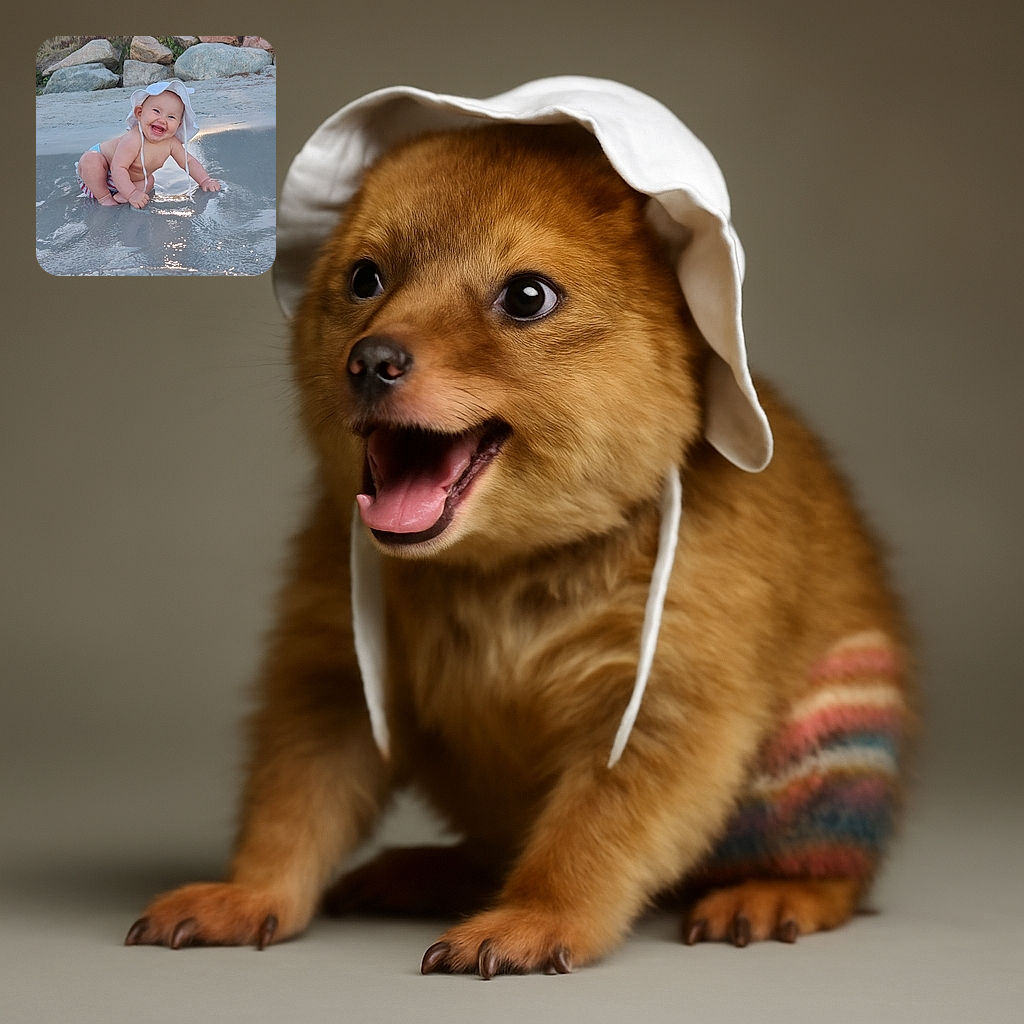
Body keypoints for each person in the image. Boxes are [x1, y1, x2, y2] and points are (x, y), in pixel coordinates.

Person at [75, 80, 221, 208]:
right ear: (139, 113)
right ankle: (105, 198)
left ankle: (120, 195)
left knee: (149, 181)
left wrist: (205, 180)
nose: (162, 120)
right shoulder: (134, 138)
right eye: (156, 111)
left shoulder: (171, 143)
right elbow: (118, 168)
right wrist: (132, 194)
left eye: (171, 117)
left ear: (179, 125)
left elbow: (188, 161)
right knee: (91, 160)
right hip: (101, 173)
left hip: (127, 181)